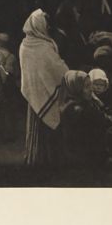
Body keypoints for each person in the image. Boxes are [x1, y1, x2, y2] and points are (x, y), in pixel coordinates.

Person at [19, 9, 68, 166]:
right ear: (38, 25)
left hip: (34, 92)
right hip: (43, 90)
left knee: (38, 126)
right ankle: (47, 159)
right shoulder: (43, 47)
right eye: (45, 24)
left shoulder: (25, 45)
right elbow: (57, 68)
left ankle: (36, 157)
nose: (47, 28)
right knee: (48, 127)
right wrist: (67, 72)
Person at [59, 70, 111, 167]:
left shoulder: (78, 102)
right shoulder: (77, 109)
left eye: (90, 85)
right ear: (76, 88)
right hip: (84, 156)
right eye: (87, 86)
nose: (91, 89)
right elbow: (102, 122)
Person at [52, 0, 91, 69]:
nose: (78, 15)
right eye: (76, 12)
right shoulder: (60, 38)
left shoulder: (71, 33)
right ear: (69, 16)